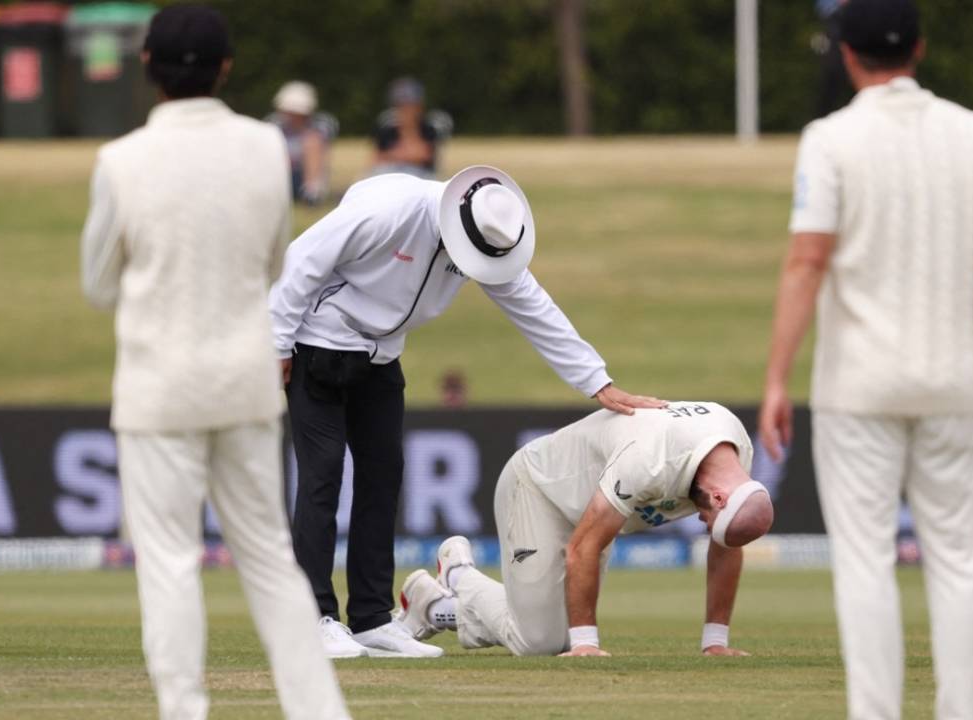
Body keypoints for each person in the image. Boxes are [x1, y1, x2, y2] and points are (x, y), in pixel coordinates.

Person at [757, 1, 973, 718]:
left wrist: (776, 379)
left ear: (847, 55)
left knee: (865, 563)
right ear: (918, 50)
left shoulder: (829, 138)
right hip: (951, 383)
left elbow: (807, 260)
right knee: (959, 562)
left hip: (858, 388)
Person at [269, 165, 664, 660]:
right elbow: (301, 261)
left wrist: (597, 382)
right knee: (323, 476)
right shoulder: (389, 211)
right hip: (317, 343)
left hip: (382, 356)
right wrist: (277, 342)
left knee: (383, 475)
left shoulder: (484, 236)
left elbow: (533, 306)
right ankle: (311, 619)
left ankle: (370, 619)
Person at [79, 5, 350, 720]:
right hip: (243, 382)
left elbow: (98, 283)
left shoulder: (122, 160)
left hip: (159, 389)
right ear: (226, 68)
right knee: (270, 560)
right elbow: (274, 262)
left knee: (168, 563)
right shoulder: (266, 148)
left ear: (147, 65)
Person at [394, 401, 774, 657]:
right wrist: (586, 645)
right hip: (540, 488)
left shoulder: (736, 459)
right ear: (720, 497)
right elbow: (582, 548)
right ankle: (460, 576)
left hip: (593, 508)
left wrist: (715, 642)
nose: (705, 525)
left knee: (553, 634)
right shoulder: (649, 459)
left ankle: (435, 608)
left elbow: (726, 547)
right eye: (711, 520)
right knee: (540, 643)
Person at [268, 80, 338, 205]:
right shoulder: (273, 124)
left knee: (312, 142)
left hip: (305, 176)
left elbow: (323, 143)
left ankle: (312, 192)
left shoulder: (319, 125)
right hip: (281, 175)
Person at [370, 77, 449, 179]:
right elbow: (376, 159)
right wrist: (406, 154)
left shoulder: (429, 128)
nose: (406, 111)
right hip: (392, 175)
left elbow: (423, 155)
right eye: (401, 106)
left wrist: (409, 128)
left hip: (420, 176)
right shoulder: (388, 129)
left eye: (410, 106)